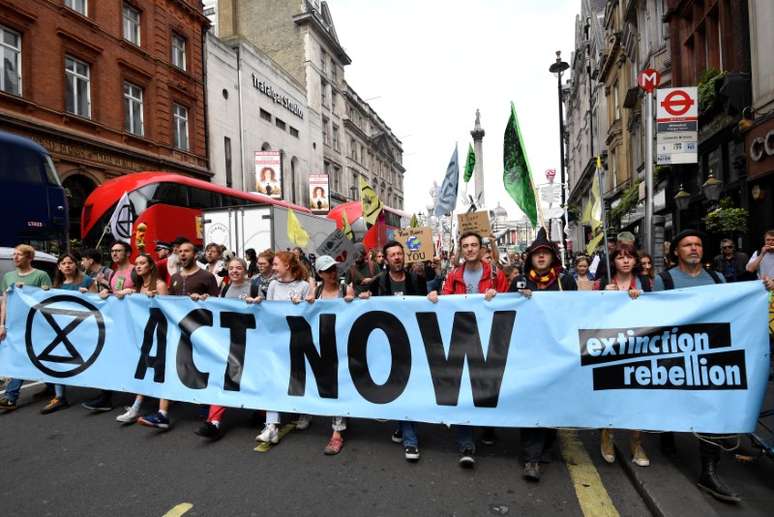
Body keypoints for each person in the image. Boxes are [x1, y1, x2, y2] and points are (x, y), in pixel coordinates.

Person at [654, 230, 737, 502]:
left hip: (709, 356)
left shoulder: (717, 279)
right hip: (675, 355)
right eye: (687, 245)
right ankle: (666, 433)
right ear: (676, 251)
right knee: (671, 401)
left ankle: (709, 470)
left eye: (698, 245)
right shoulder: (664, 280)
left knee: (710, 407)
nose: (694, 249)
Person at [428, 231, 508, 468]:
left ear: (482, 249)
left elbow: (509, 305)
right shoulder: (453, 276)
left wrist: (498, 297)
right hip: (461, 336)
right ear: (461, 250)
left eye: (474, 245)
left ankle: (488, 425)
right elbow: (445, 302)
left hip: (489, 337)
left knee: (486, 383)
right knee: (464, 388)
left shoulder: (495, 274)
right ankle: (466, 444)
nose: (471, 249)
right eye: (466, 246)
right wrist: (435, 297)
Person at [509, 228, 577, 482]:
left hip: (557, 353)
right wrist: (520, 299)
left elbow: (576, 311)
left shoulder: (564, 281)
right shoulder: (519, 282)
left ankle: (545, 447)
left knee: (551, 403)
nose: (540, 257)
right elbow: (506, 314)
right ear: (530, 258)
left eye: (545, 253)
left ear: (552, 257)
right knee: (532, 403)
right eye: (536, 253)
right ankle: (531, 458)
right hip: (529, 354)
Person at [136, 240, 219, 429]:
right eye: (180, 251)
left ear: (195, 254)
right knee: (170, 367)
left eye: (187, 251)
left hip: (200, 332)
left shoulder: (206, 276)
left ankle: (208, 405)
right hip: (176, 331)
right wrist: (155, 297)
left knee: (203, 367)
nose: (182, 254)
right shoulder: (174, 277)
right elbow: (169, 303)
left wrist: (206, 299)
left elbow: (217, 303)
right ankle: (162, 414)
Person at [365, 240, 430, 462]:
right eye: (392, 254)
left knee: (409, 388)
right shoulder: (378, 283)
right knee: (400, 388)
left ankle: (406, 434)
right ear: (385, 259)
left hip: (414, 343)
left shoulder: (417, 281)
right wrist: (362, 298)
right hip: (388, 347)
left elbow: (428, 307)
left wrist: (432, 298)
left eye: (400, 254)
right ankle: (408, 434)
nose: (397, 258)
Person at [593, 243, 652, 468]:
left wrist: (642, 298)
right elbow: (590, 313)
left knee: (637, 394)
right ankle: (607, 435)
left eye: (629, 257)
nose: (625, 261)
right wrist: (602, 296)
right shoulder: (602, 283)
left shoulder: (645, 283)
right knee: (611, 391)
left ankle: (636, 443)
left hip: (639, 346)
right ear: (613, 262)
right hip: (610, 345)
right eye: (620, 257)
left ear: (635, 261)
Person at [255, 251, 311, 445]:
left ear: (287, 265)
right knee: (273, 378)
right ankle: (271, 425)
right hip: (276, 339)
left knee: (298, 377)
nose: (274, 267)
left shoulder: (304, 286)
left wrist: (302, 304)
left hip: (297, 338)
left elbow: (310, 312)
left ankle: (304, 413)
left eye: (277, 264)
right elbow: (269, 310)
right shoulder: (272, 285)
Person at [195, 257, 252, 440]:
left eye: (238, 268)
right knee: (224, 377)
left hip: (253, 342)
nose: (234, 271)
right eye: (231, 268)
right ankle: (213, 422)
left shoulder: (254, 287)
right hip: (231, 342)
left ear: (245, 270)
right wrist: (206, 300)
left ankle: (263, 415)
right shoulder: (225, 288)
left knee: (256, 379)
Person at [303, 255, 355, 454]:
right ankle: (340, 420)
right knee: (331, 386)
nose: (333, 273)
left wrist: (356, 300)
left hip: (343, 346)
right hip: (322, 346)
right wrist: (303, 302)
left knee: (338, 385)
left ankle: (337, 433)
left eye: (334, 269)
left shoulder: (345, 289)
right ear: (320, 274)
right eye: (328, 270)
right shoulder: (315, 291)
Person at [112, 254, 169, 424]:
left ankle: (160, 412)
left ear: (151, 266)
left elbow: (169, 311)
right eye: (136, 263)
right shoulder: (137, 287)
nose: (138, 266)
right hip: (143, 335)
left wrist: (157, 300)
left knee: (160, 372)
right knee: (143, 369)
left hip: (160, 335)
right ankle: (137, 407)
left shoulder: (160, 285)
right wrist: (126, 294)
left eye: (142, 263)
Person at [81, 241, 136, 412]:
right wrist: (101, 293)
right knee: (110, 357)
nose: (114, 254)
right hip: (115, 323)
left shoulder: (135, 270)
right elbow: (114, 294)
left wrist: (131, 292)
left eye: (118, 251)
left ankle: (140, 399)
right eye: (112, 251)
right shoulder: (114, 273)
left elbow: (145, 289)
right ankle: (106, 396)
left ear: (127, 253)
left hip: (133, 323)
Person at [40, 252, 97, 415]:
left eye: (70, 263)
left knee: (90, 359)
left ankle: (103, 392)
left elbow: (98, 306)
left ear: (76, 264)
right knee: (58, 358)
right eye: (63, 263)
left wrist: (88, 295)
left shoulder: (87, 281)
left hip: (82, 327)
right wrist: (46, 292)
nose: (67, 265)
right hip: (63, 327)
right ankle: (59, 396)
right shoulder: (57, 284)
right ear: (59, 267)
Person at [0, 245, 52, 411]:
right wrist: (2, 324)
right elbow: (5, 302)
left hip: (35, 325)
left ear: (29, 257)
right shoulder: (8, 276)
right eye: (14, 255)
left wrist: (42, 291)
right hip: (15, 325)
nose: (14, 257)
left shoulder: (41, 275)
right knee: (23, 357)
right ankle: (12, 396)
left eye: (19, 255)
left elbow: (49, 300)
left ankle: (11, 396)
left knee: (32, 357)